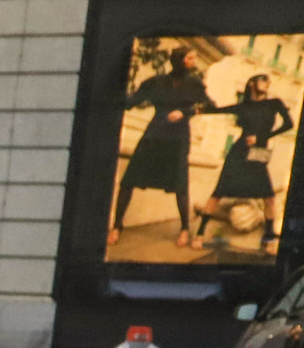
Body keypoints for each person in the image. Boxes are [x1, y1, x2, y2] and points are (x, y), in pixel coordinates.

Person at [111, 47, 216, 250]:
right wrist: (114, 94)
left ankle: (185, 228)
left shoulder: (194, 84)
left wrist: (186, 112)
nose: (194, 60)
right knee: (129, 180)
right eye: (190, 57)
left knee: (180, 185)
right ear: (180, 60)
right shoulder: (156, 81)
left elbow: (211, 106)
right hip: (154, 135)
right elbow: (132, 101)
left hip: (178, 139)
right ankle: (117, 226)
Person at [199, 73, 294, 251]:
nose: (267, 83)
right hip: (239, 151)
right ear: (251, 83)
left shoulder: (274, 103)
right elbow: (218, 110)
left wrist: (262, 137)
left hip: (259, 151)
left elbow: (289, 124)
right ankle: (200, 233)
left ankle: (267, 236)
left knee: (269, 196)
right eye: (262, 80)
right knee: (219, 191)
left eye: (268, 81)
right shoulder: (243, 106)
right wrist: (196, 110)